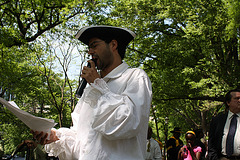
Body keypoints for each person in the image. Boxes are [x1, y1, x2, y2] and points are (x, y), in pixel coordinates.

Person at [31, 25, 152, 160]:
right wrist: (55, 137)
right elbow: (80, 138)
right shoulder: (90, 89)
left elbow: (128, 123)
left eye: (94, 45)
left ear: (113, 45)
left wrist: (98, 85)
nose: (90, 52)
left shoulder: (135, 77)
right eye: (89, 47)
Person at [208, 89, 240, 160]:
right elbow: (212, 143)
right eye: (236, 98)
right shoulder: (218, 120)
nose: (239, 101)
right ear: (228, 102)